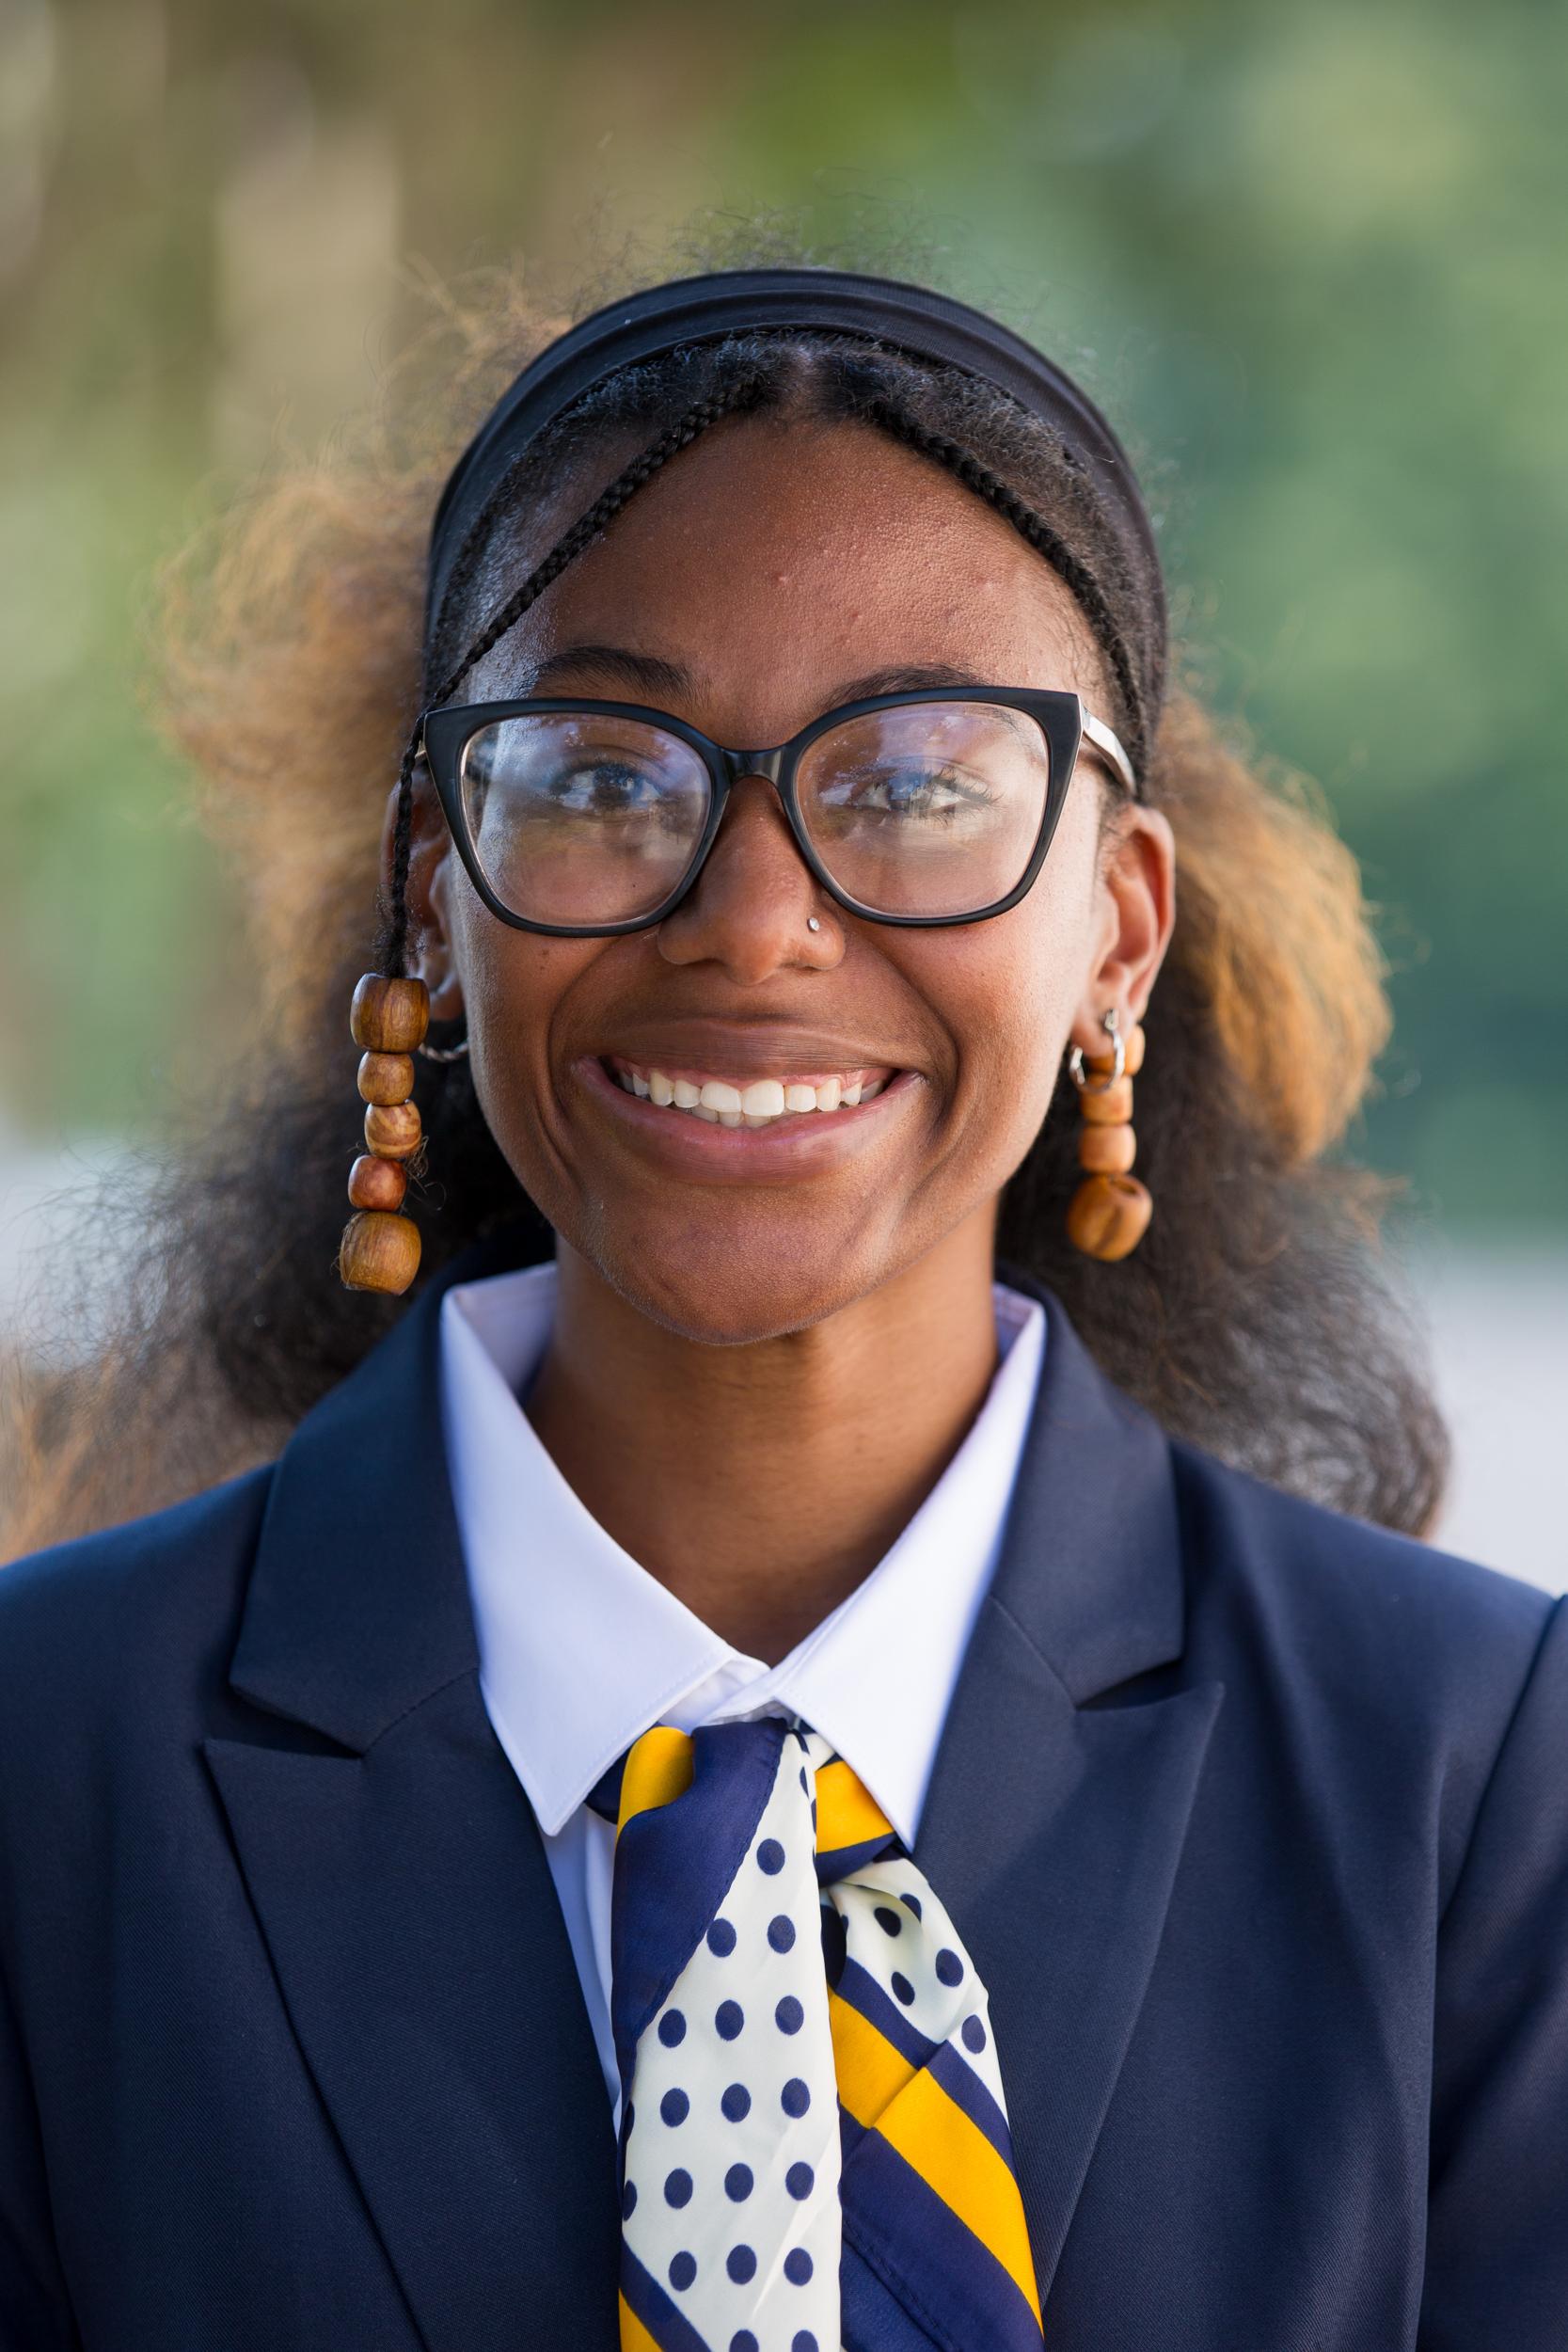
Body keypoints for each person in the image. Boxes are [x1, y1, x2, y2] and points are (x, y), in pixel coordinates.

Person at [0, 260, 1562, 2352]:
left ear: (1118, 930)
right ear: (434, 894)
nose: (754, 924)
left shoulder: (1484, 1791)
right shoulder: (43, 1768)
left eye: (916, 782)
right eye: (605, 770)